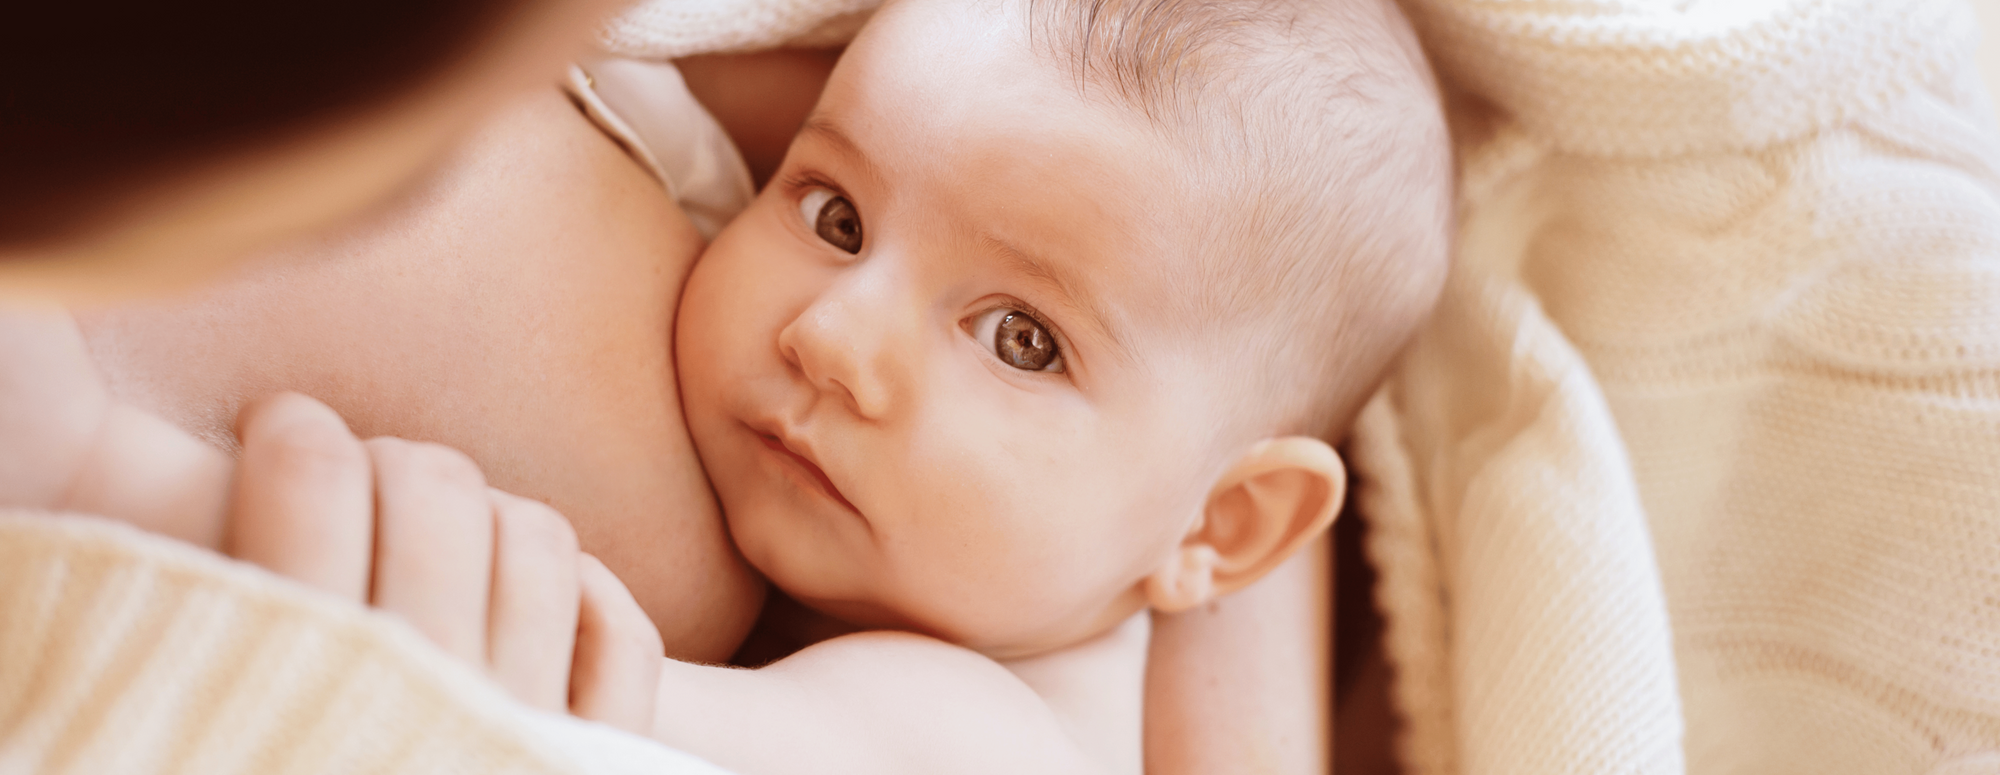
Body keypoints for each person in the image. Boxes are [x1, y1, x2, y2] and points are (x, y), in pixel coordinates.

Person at [205, 0, 1450, 771]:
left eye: (1018, 337)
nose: (831, 338)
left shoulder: (986, 738)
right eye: (837, 215)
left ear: (1220, 527)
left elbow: (547, 689)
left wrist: (105, 469)